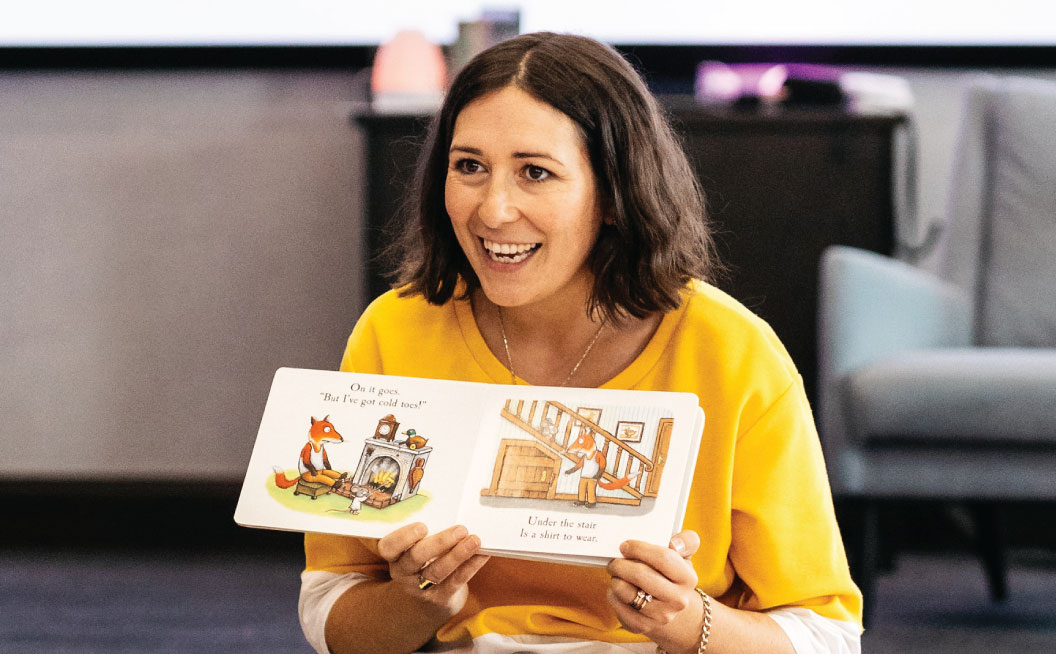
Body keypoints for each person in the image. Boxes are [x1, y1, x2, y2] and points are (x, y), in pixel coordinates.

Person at [301, 33, 861, 654]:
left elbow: (826, 638)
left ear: (616, 195)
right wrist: (418, 601)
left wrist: (683, 619)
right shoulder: (394, 332)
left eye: (535, 172)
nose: (493, 209)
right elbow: (334, 619)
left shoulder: (733, 352)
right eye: (469, 167)